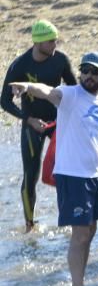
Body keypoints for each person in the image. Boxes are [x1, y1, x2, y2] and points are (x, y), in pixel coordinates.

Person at [10, 51, 98, 286]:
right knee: (79, 234)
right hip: (72, 175)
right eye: (84, 71)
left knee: (90, 230)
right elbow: (46, 91)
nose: (88, 76)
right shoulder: (69, 95)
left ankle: (78, 284)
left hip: (95, 175)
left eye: (94, 72)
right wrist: (26, 86)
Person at [2, 20, 76, 232]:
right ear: (38, 42)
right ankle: (29, 226)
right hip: (31, 125)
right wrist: (28, 119)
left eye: (56, 40)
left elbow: (74, 91)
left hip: (57, 123)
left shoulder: (61, 60)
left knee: (64, 172)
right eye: (51, 41)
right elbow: (4, 101)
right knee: (30, 176)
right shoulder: (20, 65)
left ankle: (68, 220)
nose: (55, 44)